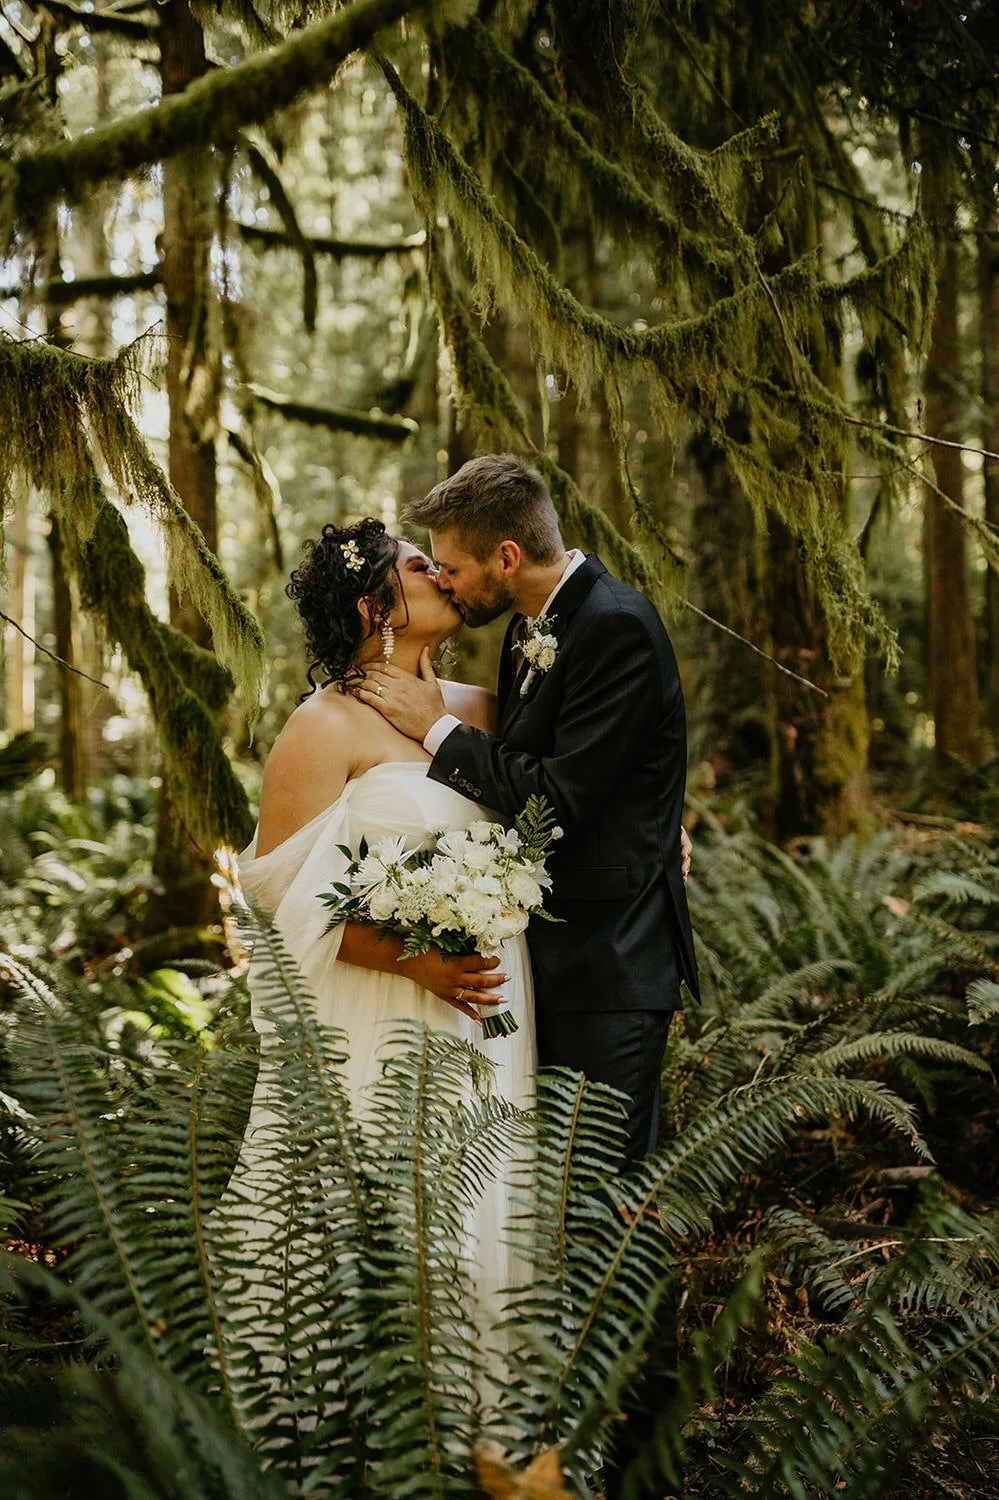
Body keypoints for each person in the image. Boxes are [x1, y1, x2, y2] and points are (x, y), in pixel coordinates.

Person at [232, 516, 537, 1339]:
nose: (442, 571)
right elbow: (273, 904)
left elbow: (586, 776)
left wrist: (666, 824)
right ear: (375, 606)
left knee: (478, 1206)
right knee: (378, 1221)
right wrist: (415, 960)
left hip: (488, 1015)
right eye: (416, 564)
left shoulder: (480, 709)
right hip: (383, 1014)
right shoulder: (321, 727)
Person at [355, 454, 699, 1165]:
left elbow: (557, 798)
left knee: (600, 1197)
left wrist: (436, 727)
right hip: (547, 958)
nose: (442, 580)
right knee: (555, 1191)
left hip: (611, 963)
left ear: (506, 556)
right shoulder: (525, 628)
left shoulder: (616, 625)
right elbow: (560, 760)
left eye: (450, 565)